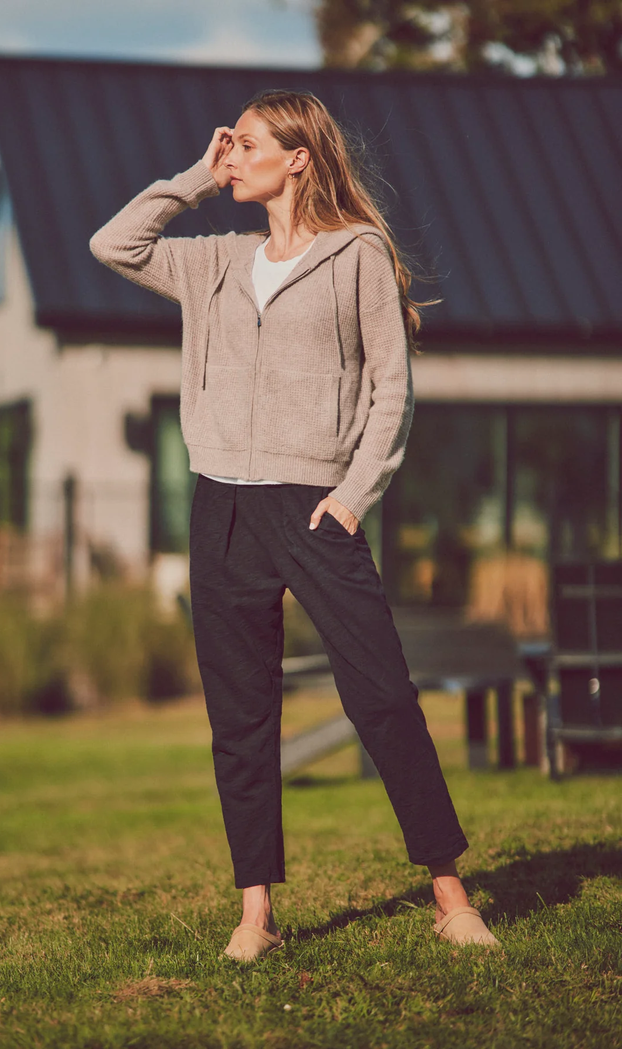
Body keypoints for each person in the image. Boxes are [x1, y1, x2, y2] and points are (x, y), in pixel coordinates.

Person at [90, 88, 499, 961]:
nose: (232, 155)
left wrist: (353, 495)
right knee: (241, 717)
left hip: (313, 504)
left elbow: (393, 387)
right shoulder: (213, 262)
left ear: (300, 157)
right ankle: (256, 915)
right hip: (222, 505)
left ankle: (450, 892)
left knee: (383, 695)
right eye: (227, 145)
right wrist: (197, 176)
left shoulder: (355, 255)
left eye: (247, 144)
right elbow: (112, 243)